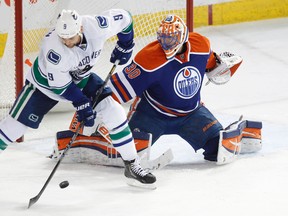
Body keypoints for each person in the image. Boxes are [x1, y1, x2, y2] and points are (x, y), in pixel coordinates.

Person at [0, 9, 156, 184]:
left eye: (71, 37)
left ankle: (132, 164)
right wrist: (82, 104)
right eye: (63, 37)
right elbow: (60, 86)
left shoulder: (97, 26)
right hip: (44, 87)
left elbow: (125, 18)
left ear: (80, 28)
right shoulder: (53, 49)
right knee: (14, 127)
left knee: (114, 111)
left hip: (81, 79)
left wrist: (126, 44)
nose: (66, 41)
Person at [108, 14, 262, 164]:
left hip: (191, 114)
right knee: (124, 155)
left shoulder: (201, 45)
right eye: (163, 37)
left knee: (219, 148)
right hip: (152, 114)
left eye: (171, 37)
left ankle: (236, 133)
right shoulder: (148, 58)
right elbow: (116, 90)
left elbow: (210, 65)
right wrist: (97, 110)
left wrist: (221, 66)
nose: (166, 42)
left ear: (182, 36)